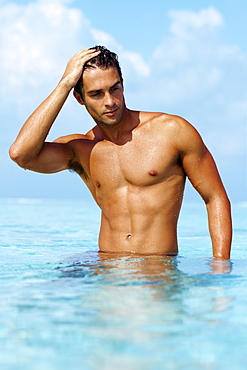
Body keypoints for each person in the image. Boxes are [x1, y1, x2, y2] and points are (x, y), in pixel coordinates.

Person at [9, 46, 232, 259]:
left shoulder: (172, 131)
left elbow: (215, 198)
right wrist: (64, 84)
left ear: (123, 84)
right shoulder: (81, 149)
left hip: (156, 271)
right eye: (96, 94)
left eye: (114, 88)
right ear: (79, 98)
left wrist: (221, 266)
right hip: (105, 269)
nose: (110, 102)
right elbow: (21, 154)